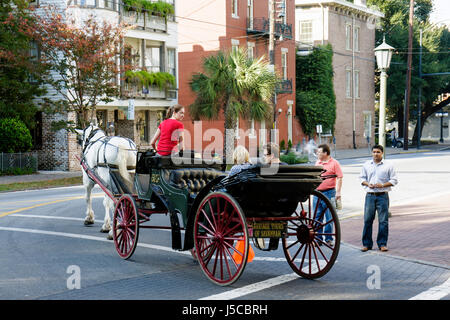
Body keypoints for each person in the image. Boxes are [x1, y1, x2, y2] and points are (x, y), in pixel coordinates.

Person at [359, 144, 398, 252]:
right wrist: (368, 184)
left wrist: (383, 185)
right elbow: (361, 178)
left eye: (378, 152)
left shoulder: (388, 165)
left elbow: (394, 180)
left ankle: (382, 244)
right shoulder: (367, 165)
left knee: (383, 221)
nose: (375, 154)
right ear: (372, 153)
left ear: (382, 153)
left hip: (383, 196)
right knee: (367, 220)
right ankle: (366, 244)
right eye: (374, 152)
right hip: (370, 196)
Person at [314, 144, 343, 247]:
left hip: (329, 192)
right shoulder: (318, 163)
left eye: (319, 152)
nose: (317, 154)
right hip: (317, 193)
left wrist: (338, 192)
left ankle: (329, 238)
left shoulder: (334, 163)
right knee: (317, 216)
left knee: (329, 216)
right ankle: (318, 239)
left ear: (325, 153)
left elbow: (340, 177)